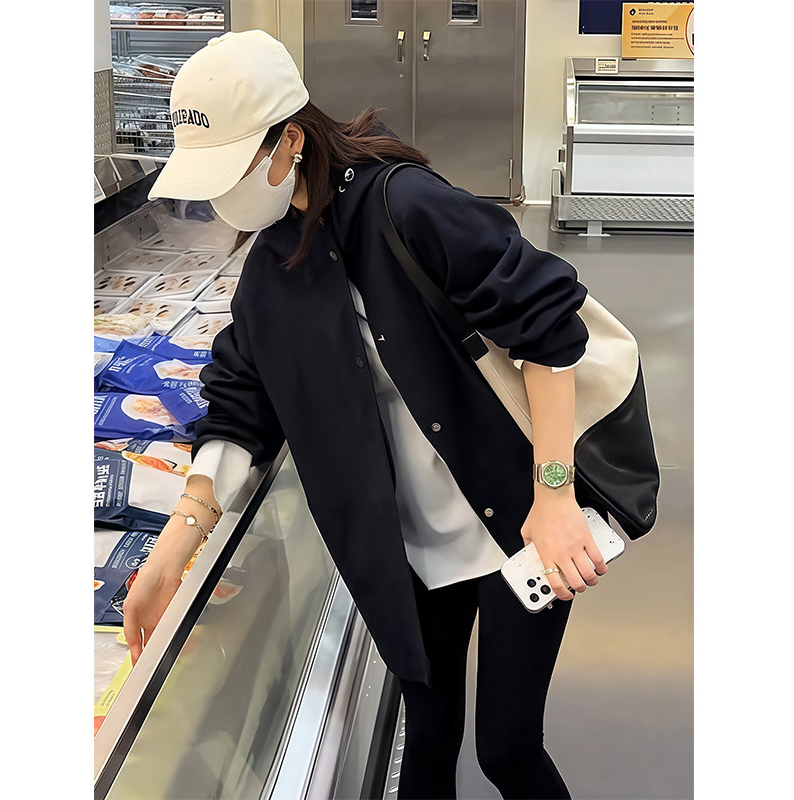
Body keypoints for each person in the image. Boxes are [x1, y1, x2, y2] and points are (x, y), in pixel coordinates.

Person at [123, 29, 611, 800]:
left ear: (290, 139)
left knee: (507, 747)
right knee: (428, 734)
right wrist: (171, 551)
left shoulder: (406, 206)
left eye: (233, 170)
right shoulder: (272, 267)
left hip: (518, 521)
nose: (222, 198)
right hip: (410, 546)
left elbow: (550, 329)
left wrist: (554, 494)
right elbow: (242, 397)